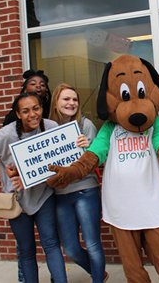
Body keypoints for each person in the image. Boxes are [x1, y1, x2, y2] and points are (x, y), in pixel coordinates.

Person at [0, 92, 67, 283]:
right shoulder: (5, 135)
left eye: (36, 108)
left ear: (42, 108)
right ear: (18, 114)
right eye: (25, 111)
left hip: (43, 196)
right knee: (26, 251)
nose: (32, 114)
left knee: (51, 244)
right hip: (17, 201)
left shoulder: (51, 127)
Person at [49, 83, 107, 283]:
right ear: (56, 102)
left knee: (92, 244)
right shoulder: (46, 128)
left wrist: (88, 147)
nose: (71, 103)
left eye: (74, 99)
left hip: (85, 190)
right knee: (71, 248)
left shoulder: (85, 124)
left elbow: (97, 158)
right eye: (66, 99)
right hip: (60, 195)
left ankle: (98, 278)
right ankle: (99, 271)